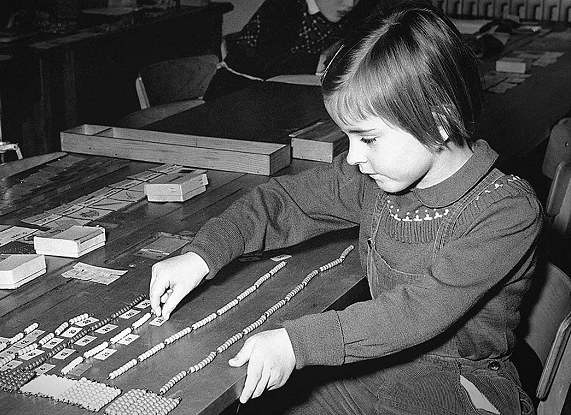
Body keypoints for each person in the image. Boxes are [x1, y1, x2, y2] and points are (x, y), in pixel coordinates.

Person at [150, 1, 543, 414]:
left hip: (462, 389)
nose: (352, 156)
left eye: (367, 138)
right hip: (381, 370)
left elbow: (416, 312)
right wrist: (200, 255)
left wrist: (295, 342)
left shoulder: (507, 211)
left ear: (439, 121)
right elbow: (282, 201)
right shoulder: (375, 176)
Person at [203, 0, 380, 101]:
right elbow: (264, 61)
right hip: (236, 90)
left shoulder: (351, 10)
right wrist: (316, 62)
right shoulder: (284, 7)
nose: (350, 3)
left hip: (287, 91)